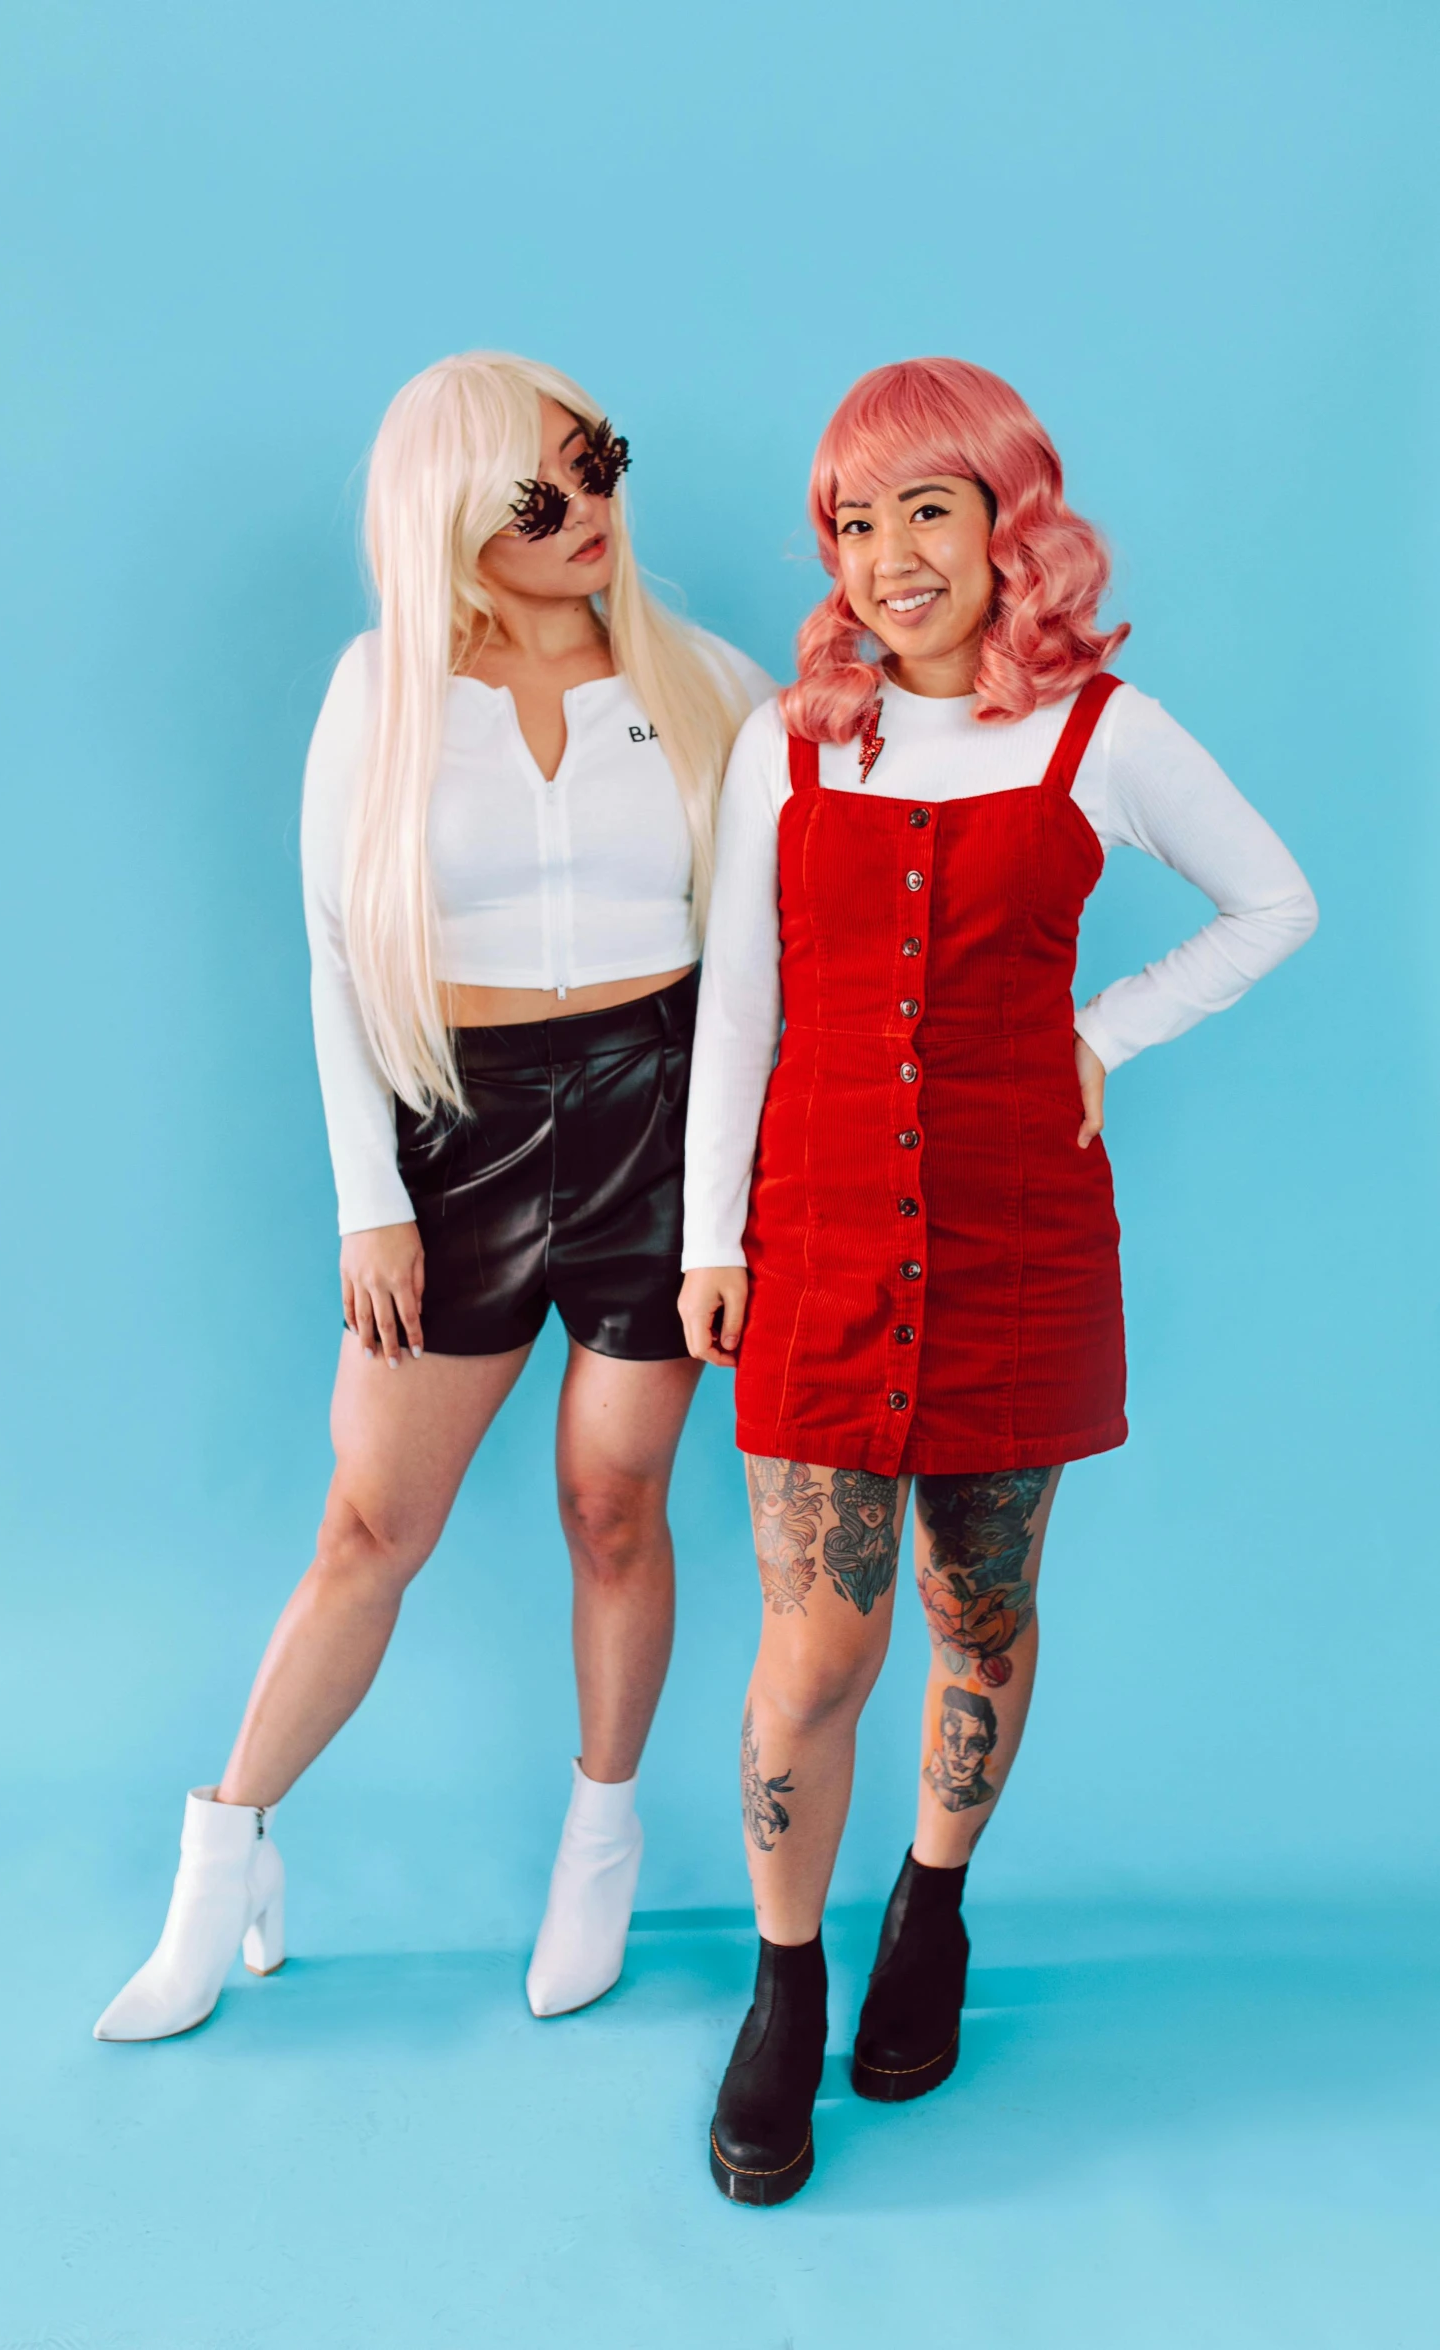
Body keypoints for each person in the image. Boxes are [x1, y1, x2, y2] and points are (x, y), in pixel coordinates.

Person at [678, 357, 1317, 2203]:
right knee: (815, 1648)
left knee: (978, 1613)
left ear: (1008, 524)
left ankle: (931, 1911)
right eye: (852, 526)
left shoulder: (1101, 734)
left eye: (924, 512)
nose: (887, 559)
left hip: (1018, 1239)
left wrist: (1099, 1036)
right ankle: (784, 1983)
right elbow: (742, 1004)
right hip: (812, 1236)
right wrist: (712, 1238)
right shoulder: (788, 739)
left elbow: (1274, 899)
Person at [94, 352, 773, 2043]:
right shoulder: (378, 689)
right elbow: (335, 959)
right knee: (369, 1525)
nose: (590, 514)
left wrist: (724, 1206)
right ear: (459, 520)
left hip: (655, 1114)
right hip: (451, 1131)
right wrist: (368, 1201)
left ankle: (597, 1847)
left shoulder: (705, 686)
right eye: (543, 495)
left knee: (614, 1502)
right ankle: (221, 1850)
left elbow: (763, 962)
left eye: (599, 465)